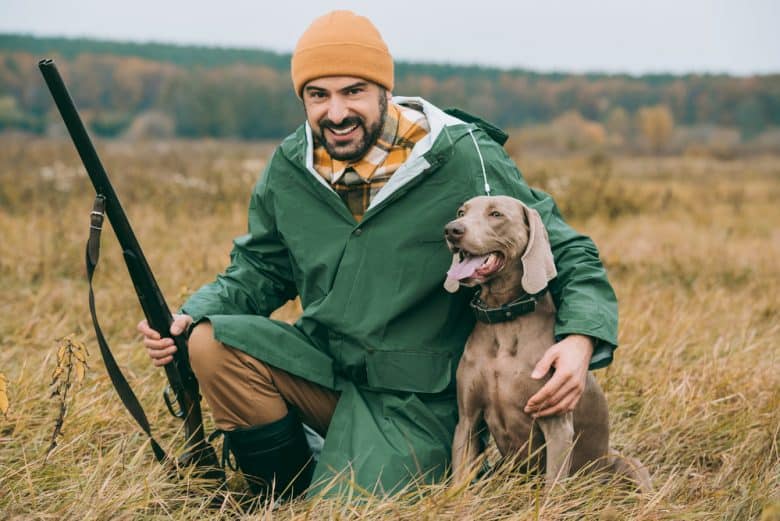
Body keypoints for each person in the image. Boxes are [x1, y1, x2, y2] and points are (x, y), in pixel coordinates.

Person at [138, 10, 618, 499]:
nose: (336, 112)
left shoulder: (461, 154)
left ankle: (338, 484)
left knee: (345, 510)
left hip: (417, 400)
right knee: (209, 340)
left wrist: (581, 338)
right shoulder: (290, 166)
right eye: (317, 95)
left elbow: (563, 246)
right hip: (322, 366)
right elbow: (262, 267)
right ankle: (281, 488)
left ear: (384, 91)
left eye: (353, 92)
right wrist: (188, 315)